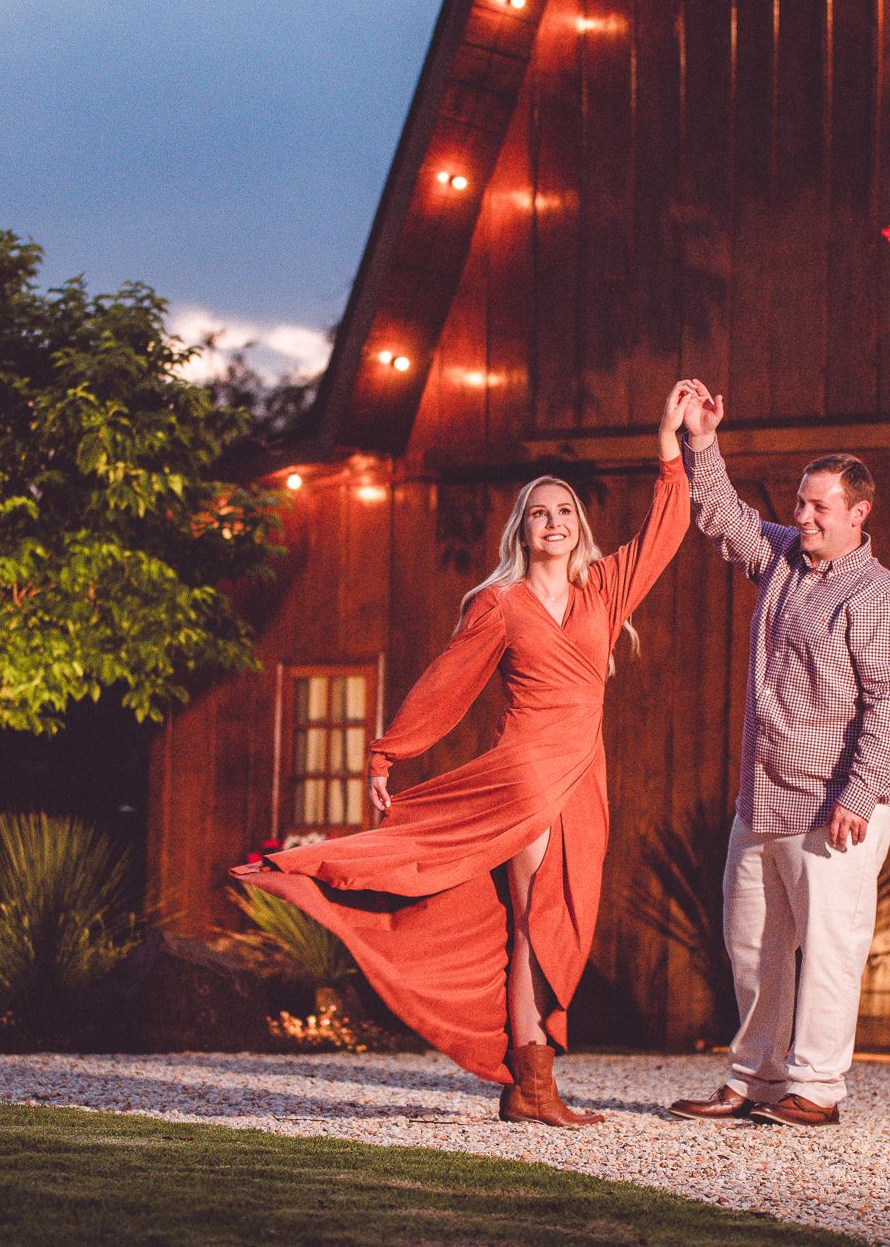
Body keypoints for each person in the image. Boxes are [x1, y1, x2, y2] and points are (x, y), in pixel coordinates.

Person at [235, 382, 696, 1126]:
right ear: (522, 529)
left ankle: (529, 1082)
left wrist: (673, 446)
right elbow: (447, 681)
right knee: (533, 924)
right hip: (526, 776)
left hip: (586, 778)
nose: (554, 521)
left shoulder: (604, 590)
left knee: (557, 923)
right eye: (540, 513)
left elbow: (665, 532)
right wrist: (388, 753)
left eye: (565, 511)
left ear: (579, 526)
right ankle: (534, 1083)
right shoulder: (500, 604)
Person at [666, 380, 890, 1127]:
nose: (802, 516)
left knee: (831, 947)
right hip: (764, 795)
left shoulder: (881, 599)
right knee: (753, 946)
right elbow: (723, 515)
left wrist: (859, 794)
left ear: (858, 513)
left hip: (837, 803)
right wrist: (702, 440)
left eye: (818, 507)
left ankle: (818, 1089)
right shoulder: (782, 558)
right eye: (800, 504)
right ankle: (757, 1078)